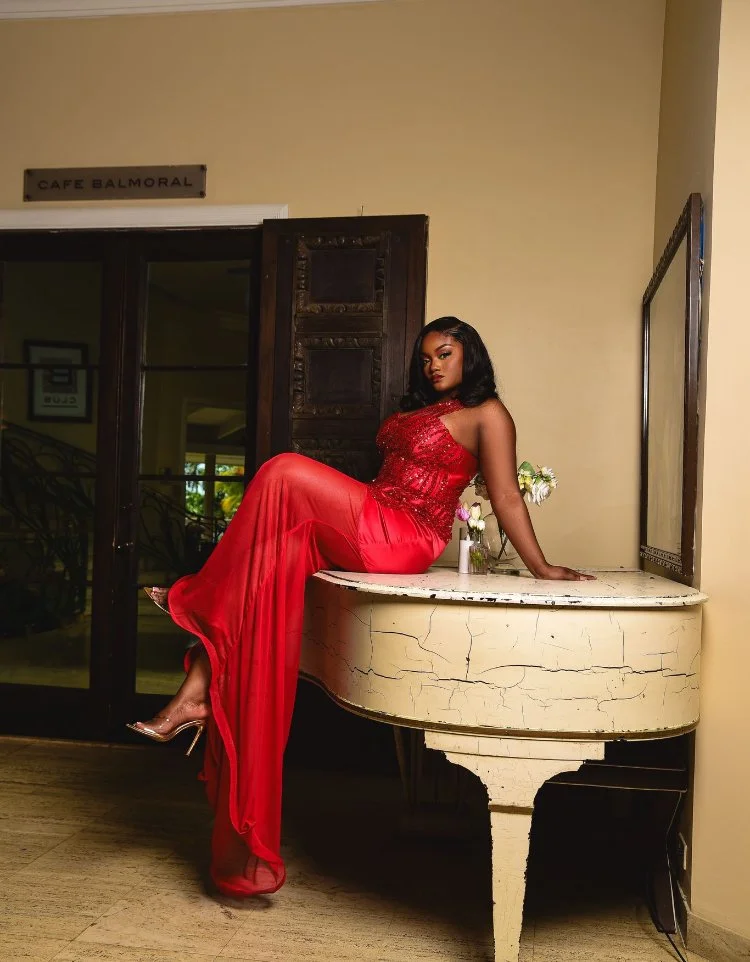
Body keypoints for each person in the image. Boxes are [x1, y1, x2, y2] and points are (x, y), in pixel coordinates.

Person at [128, 316, 592, 899]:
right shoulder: (420, 410)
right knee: (276, 551)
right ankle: (201, 682)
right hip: (375, 513)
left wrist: (542, 568)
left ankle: (193, 600)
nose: (433, 365)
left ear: (469, 356)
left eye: (444, 354)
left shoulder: (488, 414)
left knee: (282, 471)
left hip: (405, 535)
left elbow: (504, 497)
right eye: (425, 357)